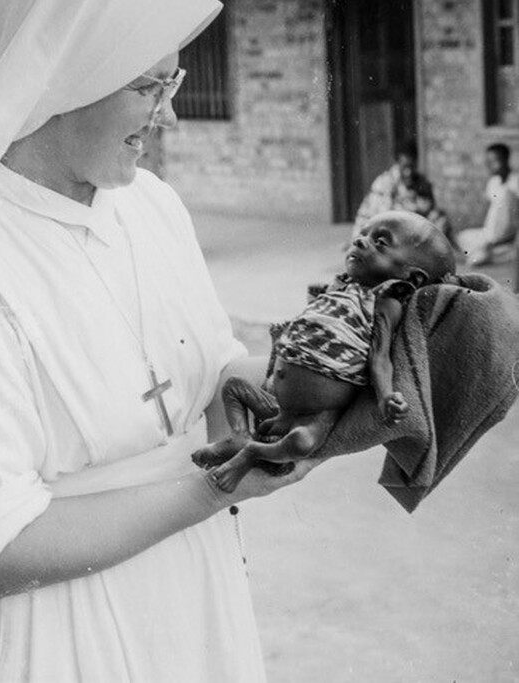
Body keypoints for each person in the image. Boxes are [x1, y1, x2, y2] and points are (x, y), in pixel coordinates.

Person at [0, 0, 317, 683]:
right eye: (148, 87)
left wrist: (328, 371)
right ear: (62, 84)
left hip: (188, 593)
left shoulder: (154, 205)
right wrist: (210, 488)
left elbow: (213, 374)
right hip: (55, 629)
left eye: (175, 82)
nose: (167, 113)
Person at [193, 210, 456, 492]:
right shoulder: (339, 289)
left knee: (302, 443)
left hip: (316, 415)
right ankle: (240, 437)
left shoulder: (384, 302)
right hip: (279, 409)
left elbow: (380, 359)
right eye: (362, 234)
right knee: (234, 388)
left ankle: (251, 453)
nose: (360, 242)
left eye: (380, 242)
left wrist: (385, 398)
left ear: (412, 278)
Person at [352, 141, 454, 243]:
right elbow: (384, 218)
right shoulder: (384, 183)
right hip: (375, 233)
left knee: (441, 221)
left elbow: (432, 211)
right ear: (397, 163)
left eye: (412, 166)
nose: (408, 172)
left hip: (408, 230)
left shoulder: (421, 182)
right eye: (404, 167)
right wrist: (415, 210)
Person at [457, 142, 519, 266]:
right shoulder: (493, 182)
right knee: (462, 236)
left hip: (505, 239)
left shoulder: (515, 183)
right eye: (487, 162)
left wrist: (499, 240)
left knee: (477, 259)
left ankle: (487, 253)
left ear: (505, 160)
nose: (489, 166)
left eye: (494, 161)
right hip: (489, 234)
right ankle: (484, 252)